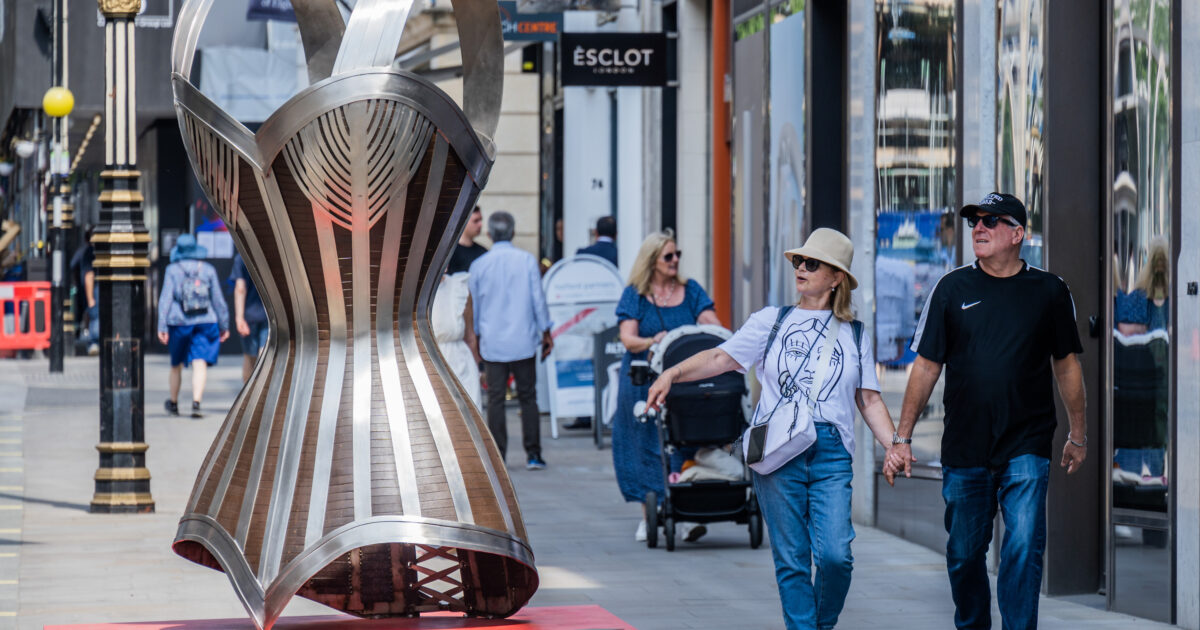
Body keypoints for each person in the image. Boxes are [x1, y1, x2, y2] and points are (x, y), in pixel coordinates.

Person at [646, 227, 905, 630]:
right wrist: (672, 373)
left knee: (837, 556)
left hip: (831, 451)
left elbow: (868, 399)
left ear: (836, 277)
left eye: (812, 263)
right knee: (792, 560)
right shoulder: (771, 321)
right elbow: (720, 357)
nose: (800, 267)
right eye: (798, 261)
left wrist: (894, 446)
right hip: (777, 449)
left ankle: (819, 625)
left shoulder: (855, 334)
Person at [891, 193, 1087, 630]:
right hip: (965, 447)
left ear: (1018, 234)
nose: (978, 228)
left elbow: (1067, 366)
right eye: (974, 221)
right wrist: (901, 439)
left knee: (1021, 548)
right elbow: (925, 366)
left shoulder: (1050, 291)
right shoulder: (951, 288)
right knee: (963, 554)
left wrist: (1078, 434)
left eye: (991, 221)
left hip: (1027, 443)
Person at [614, 229, 721, 544]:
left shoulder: (691, 290)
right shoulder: (635, 294)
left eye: (678, 255)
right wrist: (653, 339)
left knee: (682, 442)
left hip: (684, 381)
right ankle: (650, 515)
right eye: (668, 256)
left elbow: (712, 321)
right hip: (642, 381)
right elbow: (627, 338)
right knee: (645, 444)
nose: (675, 261)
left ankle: (682, 513)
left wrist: (713, 333)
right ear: (653, 261)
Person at [468, 211, 553, 470]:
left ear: (490, 234)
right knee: (528, 396)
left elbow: (475, 306)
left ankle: (498, 457)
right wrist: (546, 331)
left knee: (495, 399)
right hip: (523, 339)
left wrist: (476, 339)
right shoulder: (527, 261)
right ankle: (533, 454)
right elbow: (538, 301)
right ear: (513, 232)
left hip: (492, 342)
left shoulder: (479, 265)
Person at [157, 234, 230, 418]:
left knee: (176, 364)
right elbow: (218, 300)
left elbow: (165, 299)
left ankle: (173, 403)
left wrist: (162, 326)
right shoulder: (208, 269)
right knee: (200, 362)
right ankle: (196, 403)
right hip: (206, 321)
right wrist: (224, 325)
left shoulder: (172, 270)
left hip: (179, 322)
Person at [432, 271, 482, 411]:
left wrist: (478, 368)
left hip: (461, 360)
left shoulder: (459, 287)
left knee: (470, 411)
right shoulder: (414, 291)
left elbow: (470, 335)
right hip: (431, 357)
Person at [228, 253, 268, 383]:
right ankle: (263, 393)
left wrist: (239, 318)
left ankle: (248, 396)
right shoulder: (268, 256)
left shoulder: (241, 258)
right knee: (265, 354)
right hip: (269, 315)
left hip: (249, 316)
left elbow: (240, 288)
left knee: (249, 357)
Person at [69, 226, 98, 355]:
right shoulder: (88, 252)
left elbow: (73, 266)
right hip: (89, 288)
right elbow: (88, 275)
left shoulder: (85, 251)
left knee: (91, 314)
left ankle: (92, 341)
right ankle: (93, 342)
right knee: (94, 314)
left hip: (86, 287)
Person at [447, 206, 487, 275]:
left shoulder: (482, 252)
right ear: (464, 222)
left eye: (481, 220)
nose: (480, 224)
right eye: (476, 221)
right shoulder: (450, 252)